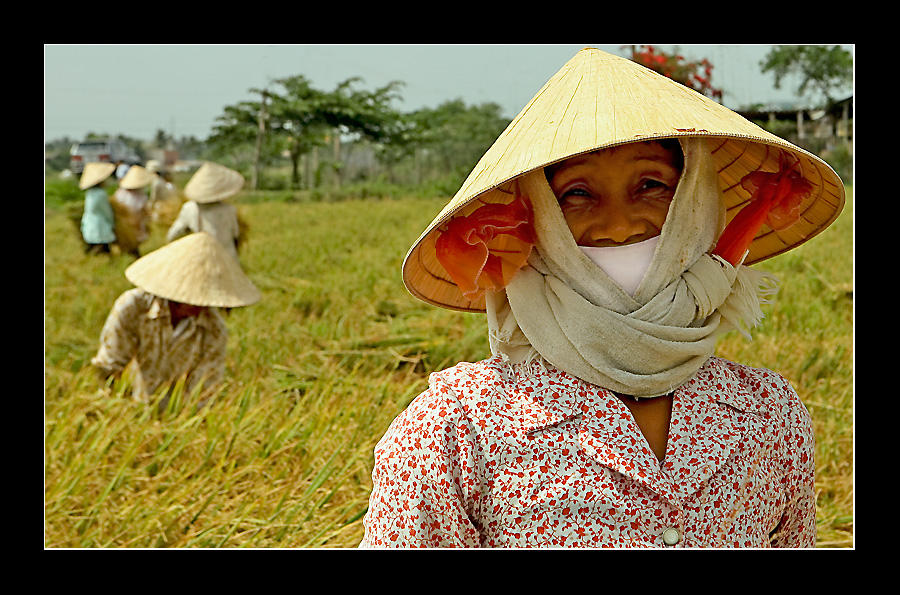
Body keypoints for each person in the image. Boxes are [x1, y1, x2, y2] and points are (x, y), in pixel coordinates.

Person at [360, 47, 846, 548]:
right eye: (577, 194)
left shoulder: (768, 414)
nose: (619, 226)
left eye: (651, 185)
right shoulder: (452, 429)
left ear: (695, 203)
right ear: (540, 221)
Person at [91, 231, 261, 407]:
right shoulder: (133, 308)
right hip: (130, 406)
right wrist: (116, 411)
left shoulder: (213, 329)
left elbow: (204, 392)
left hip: (179, 415)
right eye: (195, 298)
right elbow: (109, 367)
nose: (202, 305)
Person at [166, 161, 244, 262]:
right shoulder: (229, 210)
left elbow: (173, 235)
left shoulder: (189, 208)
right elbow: (235, 234)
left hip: (201, 259)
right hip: (227, 259)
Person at [112, 164, 155, 257]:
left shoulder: (120, 194)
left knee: (130, 245)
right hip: (133, 225)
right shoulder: (138, 195)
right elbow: (144, 210)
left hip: (131, 225)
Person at [78, 162, 117, 255]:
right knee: (103, 248)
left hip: (89, 223)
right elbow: (106, 211)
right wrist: (112, 223)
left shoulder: (89, 193)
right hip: (99, 225)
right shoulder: (101, 194)